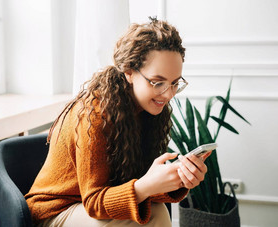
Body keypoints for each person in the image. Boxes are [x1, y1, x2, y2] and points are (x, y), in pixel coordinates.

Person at [25, 18, 210, 227]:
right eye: (157, 82)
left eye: (175, 83)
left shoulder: (151, 110)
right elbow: (95, 203)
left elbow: (138, 183)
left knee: (157, 212)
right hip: (54, 211)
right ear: (129, 72)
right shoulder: (94, 115)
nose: (168, 94)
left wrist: (177, 180)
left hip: (89, 208)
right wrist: (145, 186)